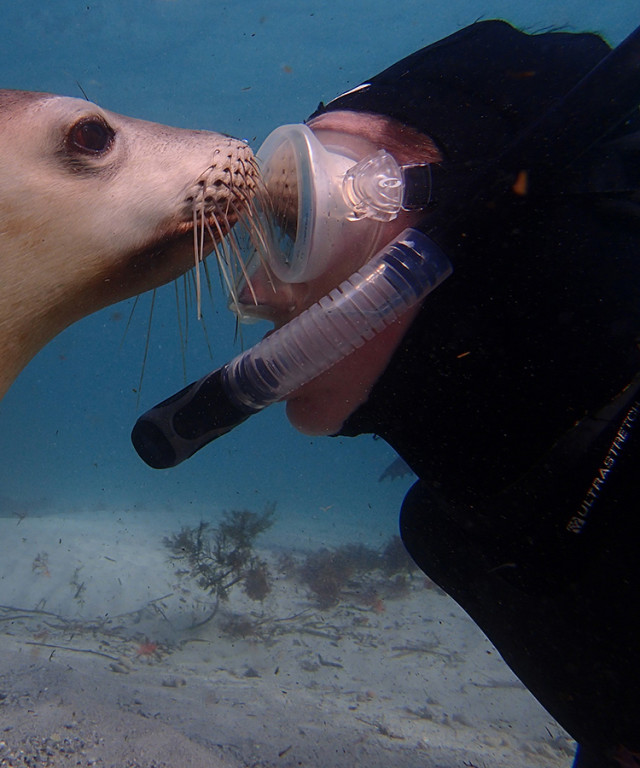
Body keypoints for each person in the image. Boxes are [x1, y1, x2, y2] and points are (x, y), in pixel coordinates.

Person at [132, 19, 640, 767]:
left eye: (296, 216)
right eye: (255, 235)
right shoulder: (473, 534)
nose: (252, 287)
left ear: (494, 222)